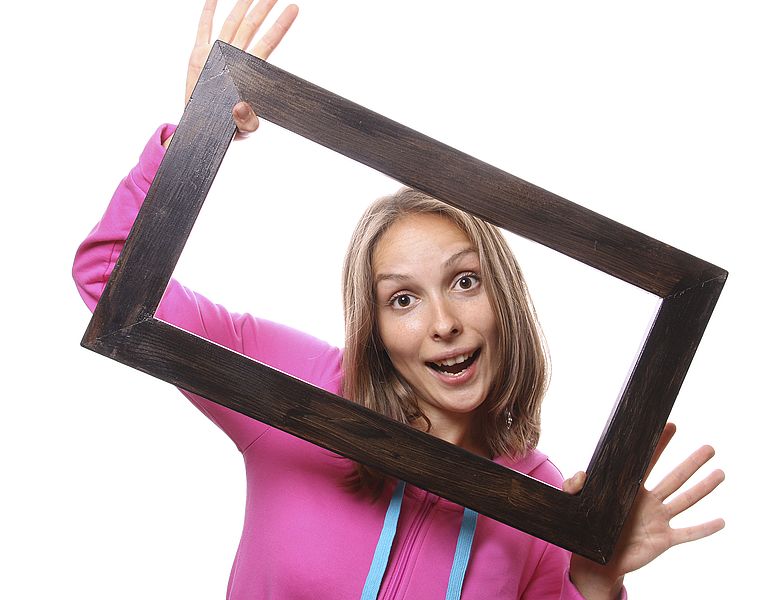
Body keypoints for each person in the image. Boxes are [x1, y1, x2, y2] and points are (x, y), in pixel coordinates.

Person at [73, 2, 725, 598]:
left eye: (464, 282)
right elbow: (111, 281)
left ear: (505, 301)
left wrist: (593, 583)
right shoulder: (296, 386)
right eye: (403, 299)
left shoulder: (550, 504)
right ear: (376, 325)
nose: (442, 323)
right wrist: (195, 138)